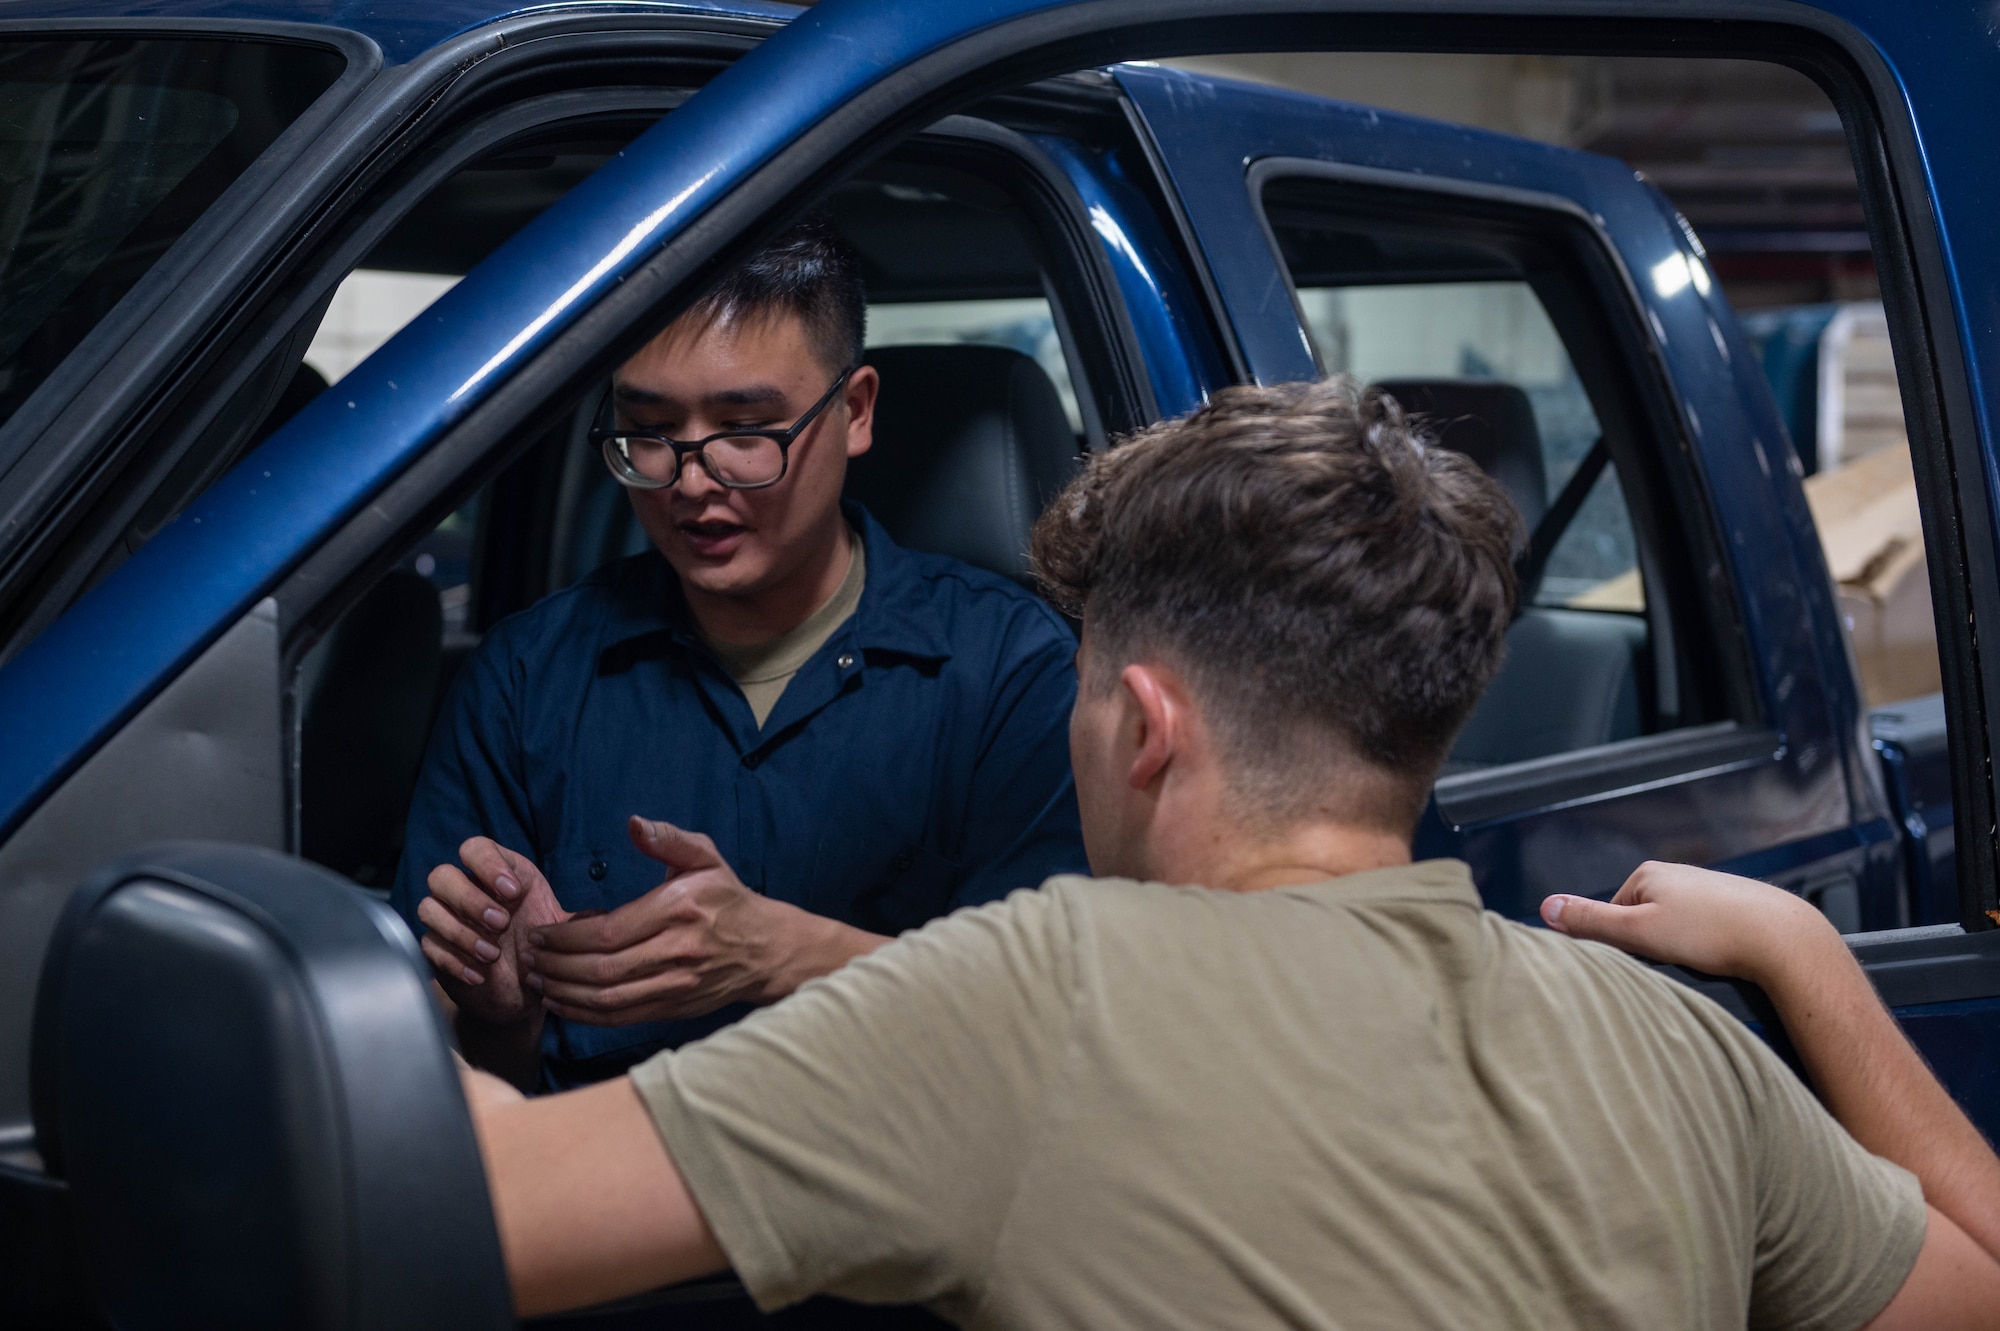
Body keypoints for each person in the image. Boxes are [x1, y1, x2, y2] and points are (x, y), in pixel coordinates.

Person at [455, 377, 2000, 1326]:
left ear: (1142, 725)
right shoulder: (1674, 1044)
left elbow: (488, 1213)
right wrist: (1802, 958)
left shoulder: (1038, 996)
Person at [393, 215, 1086, 1090]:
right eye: (649, 431)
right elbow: (452, 1079)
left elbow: (1063, 1032)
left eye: (745, 430)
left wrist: (791, 957)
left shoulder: (1011, 672)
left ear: (856, 410)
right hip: (598, 1201)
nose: (690, 483)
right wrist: (501, 1016)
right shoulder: (527, 679)